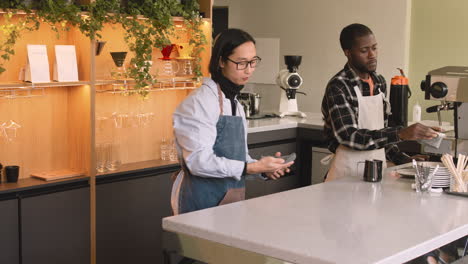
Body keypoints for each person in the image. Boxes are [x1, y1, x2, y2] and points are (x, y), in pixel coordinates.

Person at [171, 28, 293, 215]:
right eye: (241, 63)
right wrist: (253, 167)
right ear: (221, 61)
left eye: (253, 62)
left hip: (231, 198)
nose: (249, 70)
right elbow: (198, 162)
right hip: (201, 200)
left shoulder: (235, 103)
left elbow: (239, 159)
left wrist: (263, 169)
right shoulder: (199, 102)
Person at [321, 23, 440, 181]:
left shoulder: (379, 82)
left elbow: (380, 133)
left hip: (376, 175)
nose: (372, 55)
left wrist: (405, 160)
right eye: (364, 50)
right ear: (347, 53)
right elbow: (350, 137)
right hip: (345, 176)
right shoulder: (339, 87)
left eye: (374, 48)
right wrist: (400, 133)